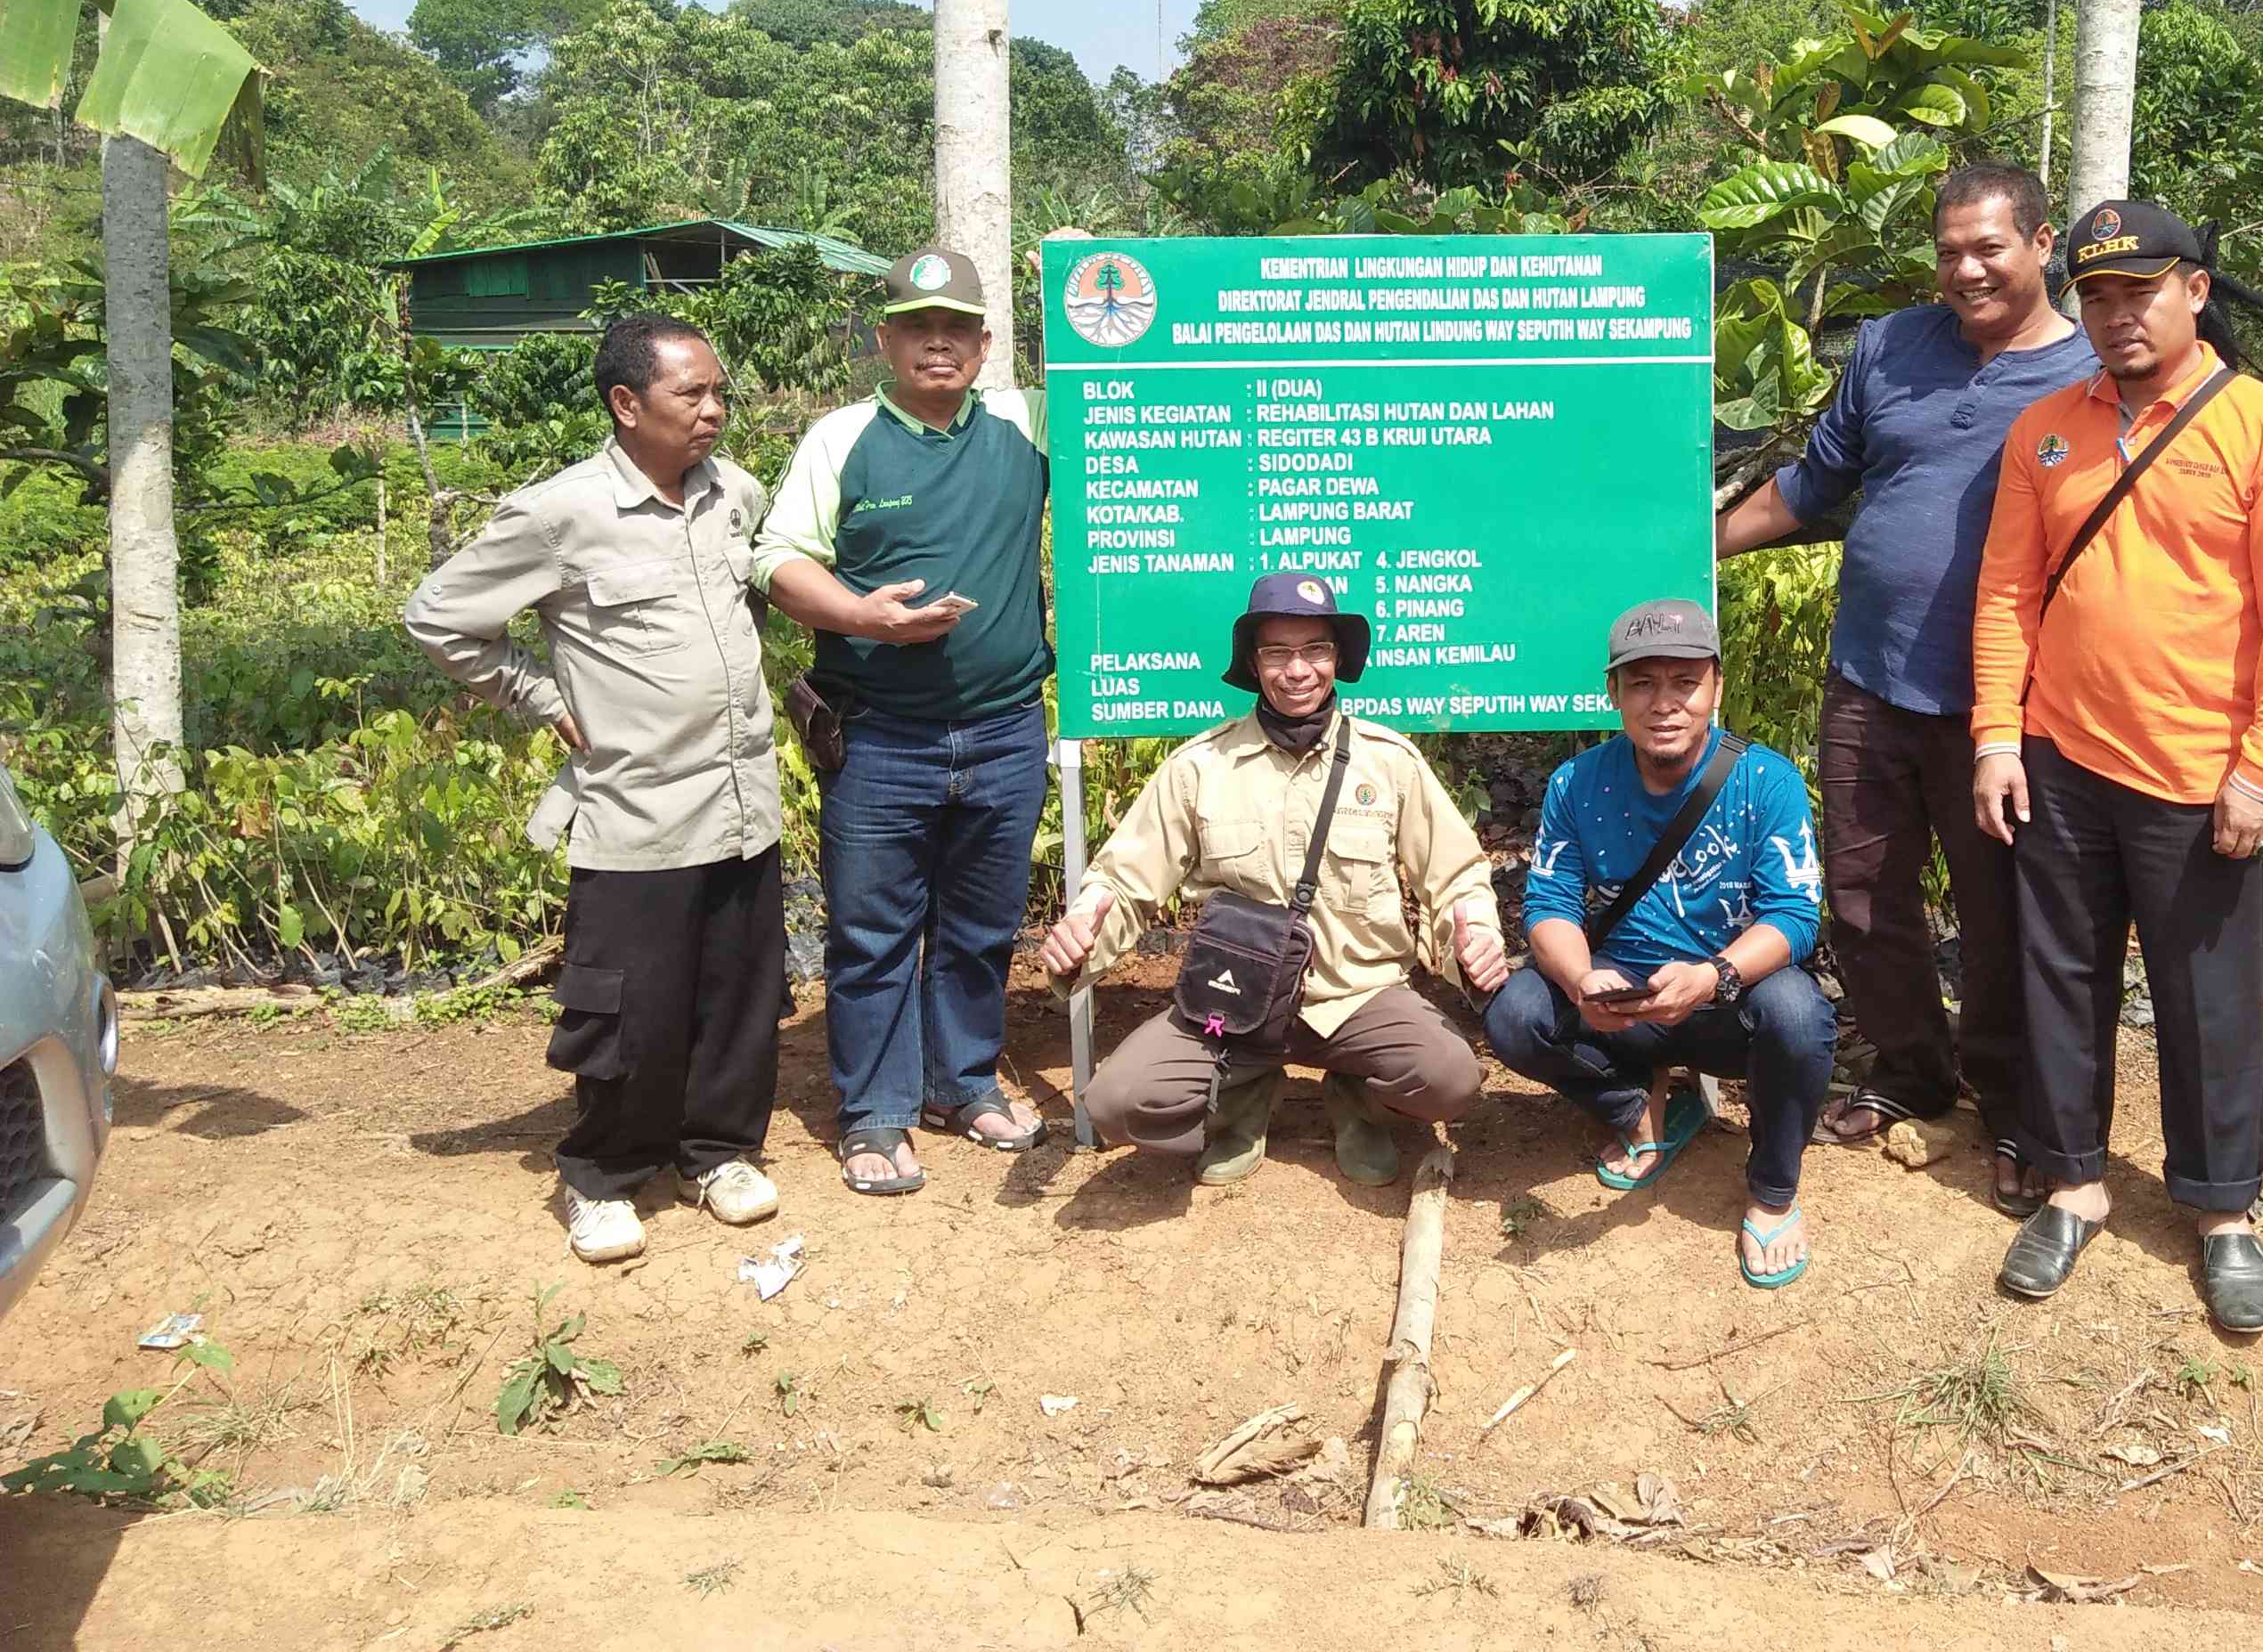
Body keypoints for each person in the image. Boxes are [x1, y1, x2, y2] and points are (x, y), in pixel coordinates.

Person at [1715, 161, 2263, 1217]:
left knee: (2011, 920)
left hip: (2009, 709)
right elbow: (1816, 482)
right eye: (1949, 252)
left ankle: (2023, 1112)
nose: (1967, 271)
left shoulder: (2097, 373)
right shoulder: (1898, 350)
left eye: (1990, 249)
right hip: (1876, 675)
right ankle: (1915, 1081)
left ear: (2038, 246)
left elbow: (2257, 476)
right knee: (1870, 898)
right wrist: (1695, 555)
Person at [1968, 199, 2263, 1332]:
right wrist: (1995, 733)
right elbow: (2005, 592)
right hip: (2064, 762)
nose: (2119, 315)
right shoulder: (2044, 430)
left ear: (2197, 292)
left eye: (2142, 291)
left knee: (2210, 1003)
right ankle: (2073, 1183)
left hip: (2200, 773)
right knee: (2060, 984)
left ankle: (2224, 1214)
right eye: (2099, 295)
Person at [403, 313, 785, 1265]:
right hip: (636, 809)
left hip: (743, 802)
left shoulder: (735, 493)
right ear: (626, 404)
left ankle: (717, 1153)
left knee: (737, 992)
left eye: (718, 392)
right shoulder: (559, 515)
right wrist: (536, 695)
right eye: (690, 395)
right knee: (627, 1008)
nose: (714, 411)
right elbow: (438, 618)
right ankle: (604, 1175)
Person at [1041, 574, 1509, 1185]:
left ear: (1337, 658)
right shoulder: (1201, 767)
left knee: (1450, 1078)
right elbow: (1123, 884)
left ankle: (1356, 1099)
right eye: (1277, 653)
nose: (1298, 670)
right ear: (1253, 664)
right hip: (1231, 1006)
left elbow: (1456, 880)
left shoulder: (1388, 762)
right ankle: (1244, 1101)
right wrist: (1081, 935)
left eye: (1315, 649)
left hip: (1359, 997)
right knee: (1118, 1103)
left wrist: (1472, 939)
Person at [753, 248, 1052, 1195]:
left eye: (957, 327)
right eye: (918, 326)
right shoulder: (841, 438)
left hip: (1006, 730)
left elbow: (1129, 401)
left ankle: (960, 1085)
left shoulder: (1024, 420)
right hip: (880, 733)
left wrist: (1085, 273)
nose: (938, 342)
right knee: (873, 934)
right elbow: (778, 559)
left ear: (985, 342)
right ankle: (875, 1116)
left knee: (979, 928)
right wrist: (864, 616)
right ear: (885, 340)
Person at [1484, 598, 1834, 1290]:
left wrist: (1713, 975)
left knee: (1799, 1015)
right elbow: (1549, 906)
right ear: (1613, 693)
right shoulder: (1576, 783)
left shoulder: (1768, 782)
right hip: (1619, 1004)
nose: (1664, 704)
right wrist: (1582, 979)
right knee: (1516, 1014)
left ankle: (1771, 1189)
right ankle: (1639, 1104)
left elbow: (1794, 916)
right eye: (1642, 683)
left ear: (1717, 689)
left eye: (1685, 682)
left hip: (1725, 1001)